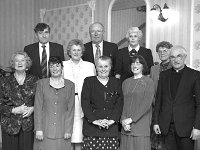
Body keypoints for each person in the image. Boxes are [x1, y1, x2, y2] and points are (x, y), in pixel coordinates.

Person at [153, 45, 200, 150]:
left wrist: (197, 127)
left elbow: (199, 104)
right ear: (170, 59)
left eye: (179, 56)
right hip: (166, 126)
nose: (176, 60)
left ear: (184, 57)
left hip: (186, 128)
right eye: (172, 57)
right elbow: (158, 100)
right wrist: (156, 122)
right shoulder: (164, 75)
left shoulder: (195, 75)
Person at [81, 56, 123, 150]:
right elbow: (85, 103)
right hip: (92, 128)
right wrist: (95, 121)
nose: (103, 69)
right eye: (100, 66)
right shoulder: (88, 81)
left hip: (111, 128)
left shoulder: (116, 82)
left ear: (110, 67)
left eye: (106, 66)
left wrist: (111, 121)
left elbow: (119, 104)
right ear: (96, 67)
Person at [34, 56, 75, 150]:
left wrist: (68, 130)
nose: (55, 68)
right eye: (51, 66)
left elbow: (70, 109)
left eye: (57, 65)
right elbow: (38, 107)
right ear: (49, 68)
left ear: (62, 68)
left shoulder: (70, 85)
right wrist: (38, 129)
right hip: (44, 130)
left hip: (63, 130)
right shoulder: (41, 84)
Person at [0, 51, 38, 150]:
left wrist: (33, 108)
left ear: (27, 63)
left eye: (22, 60)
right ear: (13, 63)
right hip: (9, 125)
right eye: (17, 61)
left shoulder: (35, 80)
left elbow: (41, 102)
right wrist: (14, 110)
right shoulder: (4, 81)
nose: (19, 63)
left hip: (28, 125)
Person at [63, 39, 96, 150]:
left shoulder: (90, 65)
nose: (76, 52)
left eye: (78, 50)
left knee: (81, 134)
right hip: (67, 102)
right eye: (73, 50)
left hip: (84, 102)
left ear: (82, 52)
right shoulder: (63, 65)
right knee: (68, 133)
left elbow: (94, 85)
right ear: (69, 52)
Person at [120, 55, 154, 150]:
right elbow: (122, 103)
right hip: (126, 126)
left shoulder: (149, 82)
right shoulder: (125, 82)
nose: (135, 65)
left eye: (138, 63)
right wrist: (123, 121)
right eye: (133, 63)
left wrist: (131, 120)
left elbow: (146, 105)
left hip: (140, 126)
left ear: (143, 66)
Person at [150, 41, 173, 150]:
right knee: (155, 141)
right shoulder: (153, 69)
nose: (162, 53)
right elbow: (151, 88)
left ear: (170, 51)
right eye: (160, 51)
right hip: (155, 107)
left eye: (165, 51)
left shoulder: (175, 67)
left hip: (170, 108)